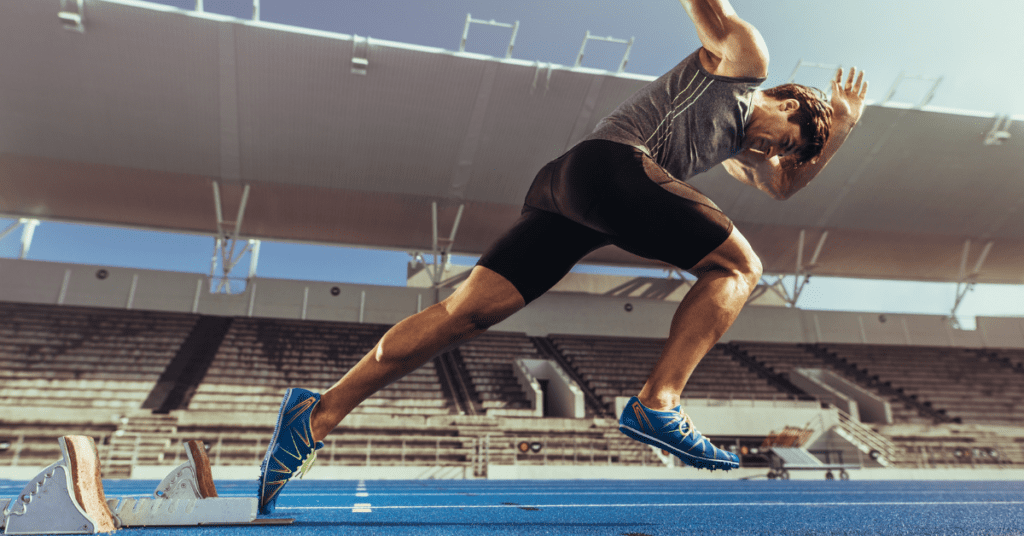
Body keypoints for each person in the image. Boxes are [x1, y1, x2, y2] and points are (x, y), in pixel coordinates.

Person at [257, 0, 867, 514]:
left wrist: (840, 129)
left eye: (781, 152)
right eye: (783, 141)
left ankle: (314, 417)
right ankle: (659, 403)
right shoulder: (743, 61)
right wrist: (827, 121)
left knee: (465, 312)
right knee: (740, 268)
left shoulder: (740, 151)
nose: (772, 152)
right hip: (610, 166)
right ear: (787, 101)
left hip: (565, 191)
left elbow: (785, 188)